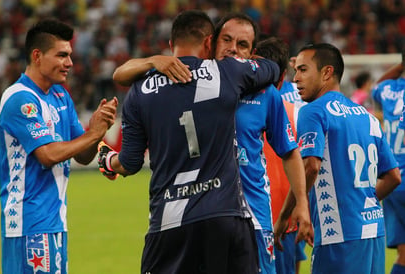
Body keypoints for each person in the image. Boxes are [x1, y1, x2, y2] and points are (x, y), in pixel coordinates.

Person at [112, 13, 311, 274]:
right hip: (206, 214)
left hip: (253, 218)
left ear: (252, 53)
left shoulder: (265, 93)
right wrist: (153, 61)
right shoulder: (188, 82)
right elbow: (124, 75)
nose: (233, 49)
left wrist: (302, 206)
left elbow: (289, 151)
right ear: (211, 43)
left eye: (243, 45)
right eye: (227, 40)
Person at [0, 18, 118, 274]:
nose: (70, 63)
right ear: (37, 56)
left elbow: (83, 155)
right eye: (62, 55)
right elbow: (48, 155)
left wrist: (98, 128)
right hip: (30, 223)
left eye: (70, 55)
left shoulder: (60, 96)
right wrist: (93, 133)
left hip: (54, 222)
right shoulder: (20, 99)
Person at [275, 43, 401, 274]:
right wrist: (361, 201)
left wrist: (286, 215)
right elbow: (393, 176)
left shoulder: (313, 111)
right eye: (295, 71)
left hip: (339, 236)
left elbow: (311, 167)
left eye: (303, 70)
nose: (296, 79)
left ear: (326, 72)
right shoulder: (367, 116)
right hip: (373, 232)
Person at [257, 37, 307, 274]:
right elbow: (310, 165)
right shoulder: (297, 112)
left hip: (255, 220)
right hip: (286, 218)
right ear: (283, 77)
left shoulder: (234, 110)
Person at [372, 52, 405, 274]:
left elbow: (378, 84)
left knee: (404, 254)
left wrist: (402, 64)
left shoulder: (387, 90)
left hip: (392, 180)